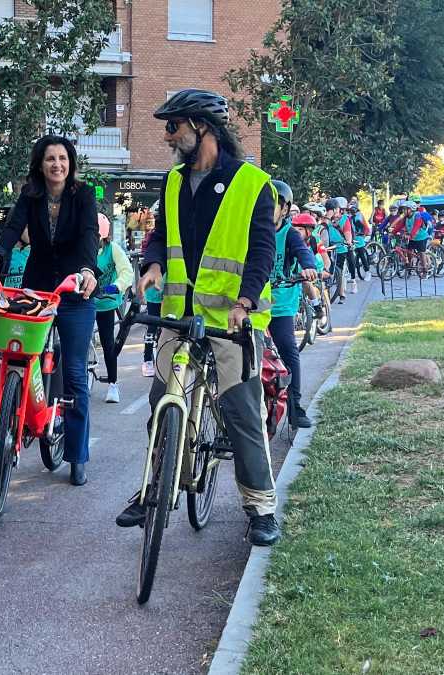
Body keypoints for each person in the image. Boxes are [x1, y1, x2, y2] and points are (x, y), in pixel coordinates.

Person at [115, 88, 282, 547]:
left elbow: (263, 252)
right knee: (161, 403)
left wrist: (245, 303)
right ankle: (156, 486)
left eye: (174, 126)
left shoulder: (252, 183)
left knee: (243, 412)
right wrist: (151, 266)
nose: (168, 135)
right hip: (177, 315)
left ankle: (260, 507)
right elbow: (161, 236)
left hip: (231, 320)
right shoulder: (172, 181)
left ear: (202, 127)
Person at [0, 135, 100, 487]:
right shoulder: (30, 196)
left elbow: (89, 235)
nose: (57, 165)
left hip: (75, 290)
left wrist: (88, 271)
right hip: (37, 290)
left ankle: (77, 455)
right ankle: (23, 415)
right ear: (40, 163)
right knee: (22, 356)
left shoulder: (84, 195)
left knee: (76, 374)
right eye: (50, 159)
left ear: (71, 162)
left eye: (63, 158)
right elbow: (11, 230)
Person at [268, 181, 319, 429]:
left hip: (280, 306)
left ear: (285, 209)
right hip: (252, 305)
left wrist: (308, 267)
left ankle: (296, 407)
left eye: (273, 203)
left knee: (289, 351)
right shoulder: (253, 230)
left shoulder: (289, 233)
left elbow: (302, 250)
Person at [94, 212, 134, 403]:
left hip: (105, 301)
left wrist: (116, 286)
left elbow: (127, 272)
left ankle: (113, 384)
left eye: (96, 238)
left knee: (108, 343)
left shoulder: (113, 249)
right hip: (85, 302)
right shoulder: (84, 249)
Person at [138, 206, 164, 378]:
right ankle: (147, 359)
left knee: (163, 328)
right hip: (155, 292)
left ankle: (159, 360)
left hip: (170, 292)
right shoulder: (153, 239)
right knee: (153, 326)